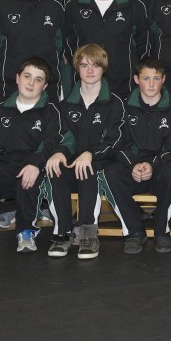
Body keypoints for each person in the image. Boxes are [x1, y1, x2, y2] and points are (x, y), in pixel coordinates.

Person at [0, 58, 62, 254]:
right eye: (27, 76)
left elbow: (49, 144)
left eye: (38, 79)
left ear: (45, 86)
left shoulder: (50, 112)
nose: (31, 83)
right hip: (7, 167)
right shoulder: (1, 110)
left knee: (28, 181)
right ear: (17, 78)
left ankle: (26, 232)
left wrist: (34, 164)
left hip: (36, 168)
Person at [45, 44, 129, 260]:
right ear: (77, 69)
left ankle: (88, 233)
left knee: (88, 169)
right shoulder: (66, 105)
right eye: (84, 65)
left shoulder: (115, 103)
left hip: (103, 161)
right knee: (56, 169)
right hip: (75, 163)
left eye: (95, 65)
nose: (90, 71)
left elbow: (115, 140)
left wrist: (91, 153)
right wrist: (60, 152)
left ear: (104, 69)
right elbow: (63, 137)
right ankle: (62, 232)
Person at [116, 57, 171, 254]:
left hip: (160, 168)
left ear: (163, 79)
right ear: (136, 79)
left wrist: (151, 165)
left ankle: (162, 232)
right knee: (110, 172)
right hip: (133, 169)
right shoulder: (122, 106)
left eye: (156, 78)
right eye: (146, 78)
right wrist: (134, 164)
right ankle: (134, 232)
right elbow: (119, 143)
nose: (152, 84)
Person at [63, 0, 149, 97]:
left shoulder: (134, 6)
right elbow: (69, 46)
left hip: (124, 87)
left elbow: (144, 47)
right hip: (86, 88)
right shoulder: (74, 6)